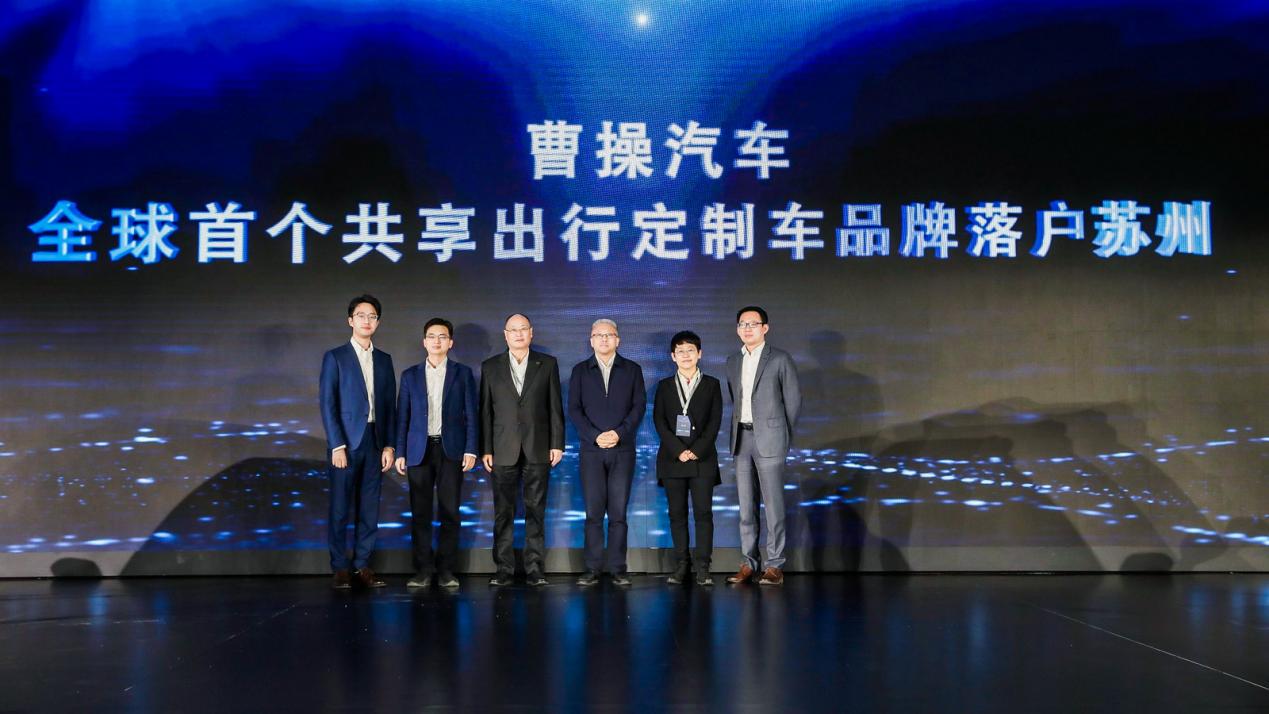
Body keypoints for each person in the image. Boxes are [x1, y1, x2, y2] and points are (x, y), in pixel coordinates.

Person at [480, 313, 564, 586]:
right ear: (505, 335)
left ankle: (534, 569)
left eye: (523, 329)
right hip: (502, 448)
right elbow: (485, 412)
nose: (518, 334)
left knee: (535, 511)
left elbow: (555, 407)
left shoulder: (547, 364)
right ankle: (503, 568)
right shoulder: (490, 366)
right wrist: (486, 448)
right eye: (513, 330)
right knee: (503, 513)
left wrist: (557, 443)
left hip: (538, 447)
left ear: (531, 333)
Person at [394, 317, 478, 590]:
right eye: (432, 336)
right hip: (418, 451)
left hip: (450, 449)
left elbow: (471, 414)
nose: (437, 341)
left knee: (450, 512)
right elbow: (402, 417)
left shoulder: (462, 374)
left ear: (450, 343)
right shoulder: (410, 375)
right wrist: (400, 451)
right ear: (424, 342)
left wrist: (471, 448)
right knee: (420, 513)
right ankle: (422, 570)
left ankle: (446, 571)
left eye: (442, 336)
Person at [318, 294, 396, 589]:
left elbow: (389, 406)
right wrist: (337, 444)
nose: (367, 321)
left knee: (369, 510)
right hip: (346, 445)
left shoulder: (384, 360)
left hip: (375, 441)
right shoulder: (335, 357)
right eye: (361, 315)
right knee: (340, 508)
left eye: (372, 316)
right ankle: (340, 567)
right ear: (350, 320)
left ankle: (362, 565)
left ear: (378, 322)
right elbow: (328, 403)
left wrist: (389, 445)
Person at [725, 306, 801, 586]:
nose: (747, 329)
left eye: (753, 324)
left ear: (765, 328)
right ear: (737, 329)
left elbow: (793, 401)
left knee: (773, 506)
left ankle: (775, 564)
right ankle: (749, 563)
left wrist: (782, 435)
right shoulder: (733, 361)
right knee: (746, 507)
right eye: (742, 324)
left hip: (770, 438)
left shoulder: (780, 358)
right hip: (741, 438)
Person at [568, 319, 646, 587]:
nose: (604, 339)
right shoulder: (580, 371)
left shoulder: (632, 370)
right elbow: (574, 409)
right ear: (591, 340)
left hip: (622, 450)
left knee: (618, 514)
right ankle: (592, 568)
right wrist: (595, 435)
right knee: (593, 514)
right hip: (591, 451)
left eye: (609, 335)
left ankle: (618, 569)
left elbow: (638, 407)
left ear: (618, 340)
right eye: (598, 335)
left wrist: (619, 433)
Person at [652, 331, 723, 586]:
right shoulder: (664, 386)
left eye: (690, 350)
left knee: (703, 514)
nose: (685, 355)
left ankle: (703, 566)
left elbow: (714, 422)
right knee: (677, 514)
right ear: (673, 356)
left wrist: (695, 451)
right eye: (680, 351)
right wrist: (679, 450)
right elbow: (659, 421)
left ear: (699, 354)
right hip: (672, 459)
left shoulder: (712, 384)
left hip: (702, 460)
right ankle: (681, 564)